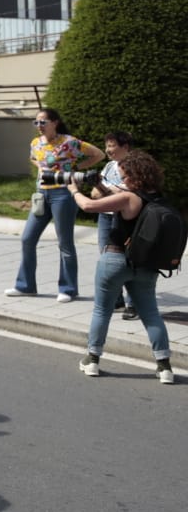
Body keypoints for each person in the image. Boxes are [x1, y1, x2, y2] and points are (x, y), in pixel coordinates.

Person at [65, 149, 176, 384]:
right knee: (151, 313)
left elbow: (88, 206)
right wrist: (103, 187)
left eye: (125, 177)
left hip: (115, 260)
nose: (123, 180)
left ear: (136, 175)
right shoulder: (158, 197)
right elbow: (112, 201)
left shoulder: (128, 197)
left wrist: (74, 190)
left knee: (101, 310)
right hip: (146, 265)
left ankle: (92, 360)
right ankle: (164, 366)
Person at [5, 108, 104, 301]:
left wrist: (75, 167)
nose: (39, 126)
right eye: (36, 123)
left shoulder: (69, 142)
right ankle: (25, 286)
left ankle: (68, 289)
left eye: (43, 122)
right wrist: (42, 168)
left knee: (65, 242)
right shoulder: (35, 143)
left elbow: (98, 154)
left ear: (55, 123)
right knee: (27, 239)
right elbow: (34, 158)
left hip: (63, 194)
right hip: (42, 194)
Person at [91, 131, 136, 319]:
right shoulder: (109, 166)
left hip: (125, 218)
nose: (108, 150)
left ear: (125, 147)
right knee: (106, 258)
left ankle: (134, 304)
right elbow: (94, 193)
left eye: (112, 146)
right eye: (107, 146)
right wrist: (112, 192)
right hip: (106, 217)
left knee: (128, 259)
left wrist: (108, 192)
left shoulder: (135, 167)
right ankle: (116, 299)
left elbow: (132, 192)